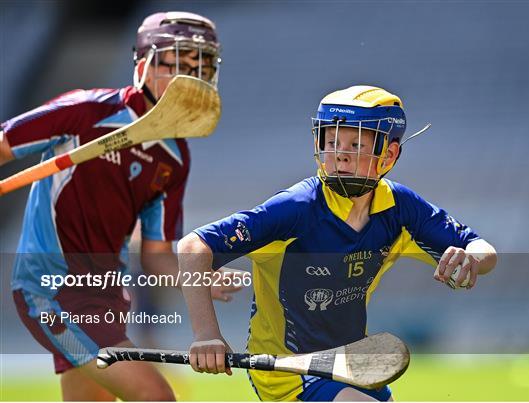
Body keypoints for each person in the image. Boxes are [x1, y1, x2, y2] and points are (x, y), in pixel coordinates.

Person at [177, 85, 498, 401]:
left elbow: (482, 250)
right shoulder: (295, 209)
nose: (340, 153)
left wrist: (470, 259)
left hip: (353, 362)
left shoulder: (400, 209)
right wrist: (206, 336)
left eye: (356, 142)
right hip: (288, 372)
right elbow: (193, 248)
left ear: (389, 153)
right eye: (331, 141)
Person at [0, 11, 240, 401]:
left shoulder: (174, 156)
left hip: (105, 295)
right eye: (180, 63)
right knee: (156, 396)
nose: (192, 77)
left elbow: (156, 256)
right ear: (144, 64)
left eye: (202, 65)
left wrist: (197, 278)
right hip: (50, 289)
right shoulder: (85, 112)